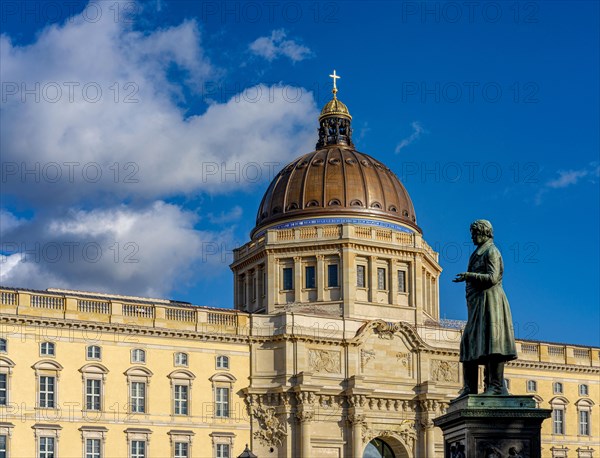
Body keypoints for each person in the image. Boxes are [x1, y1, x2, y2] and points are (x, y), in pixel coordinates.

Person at [453, 220, 517, 397]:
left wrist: (469, 275)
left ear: (484, 233)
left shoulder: (492, 251)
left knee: (492, 341)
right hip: (478, 304)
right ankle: (469, 389)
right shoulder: (477, 253)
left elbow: (493, 277)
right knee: (468, 342)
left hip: (491, 301)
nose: (472, 237)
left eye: (474, 233)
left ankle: (495, 386)